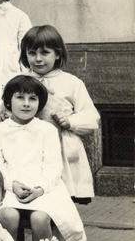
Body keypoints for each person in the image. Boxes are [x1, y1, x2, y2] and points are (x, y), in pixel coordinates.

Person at [0, 76, 87, 241]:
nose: (26, 104)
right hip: (10, 185)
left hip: (45, 186)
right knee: (8, 215)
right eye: (20, 98)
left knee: (40, 218)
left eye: (32, 99)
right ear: (8, 101)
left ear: (39, 103)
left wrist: (40, 188)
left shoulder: (46, 129)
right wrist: (12, 185)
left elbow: (53, 165)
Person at [20, 25, 99, 202]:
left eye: (44, 53)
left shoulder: (71, 82)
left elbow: (91, 117)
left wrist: (70, 121)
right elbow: (8, 106)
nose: (38, 59)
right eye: (32, 53)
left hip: (61, 146)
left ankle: (58, 229)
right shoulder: (21, 81)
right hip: (31, 148)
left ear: (57, 54)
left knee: (61, 197)